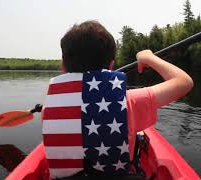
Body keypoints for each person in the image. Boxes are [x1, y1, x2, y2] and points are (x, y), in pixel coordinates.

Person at [41, 20, 193, 179]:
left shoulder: (48, 110)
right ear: (111, 65)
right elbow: (184, 82)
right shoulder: (129, 102)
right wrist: (149, 58)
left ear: (63, 67)